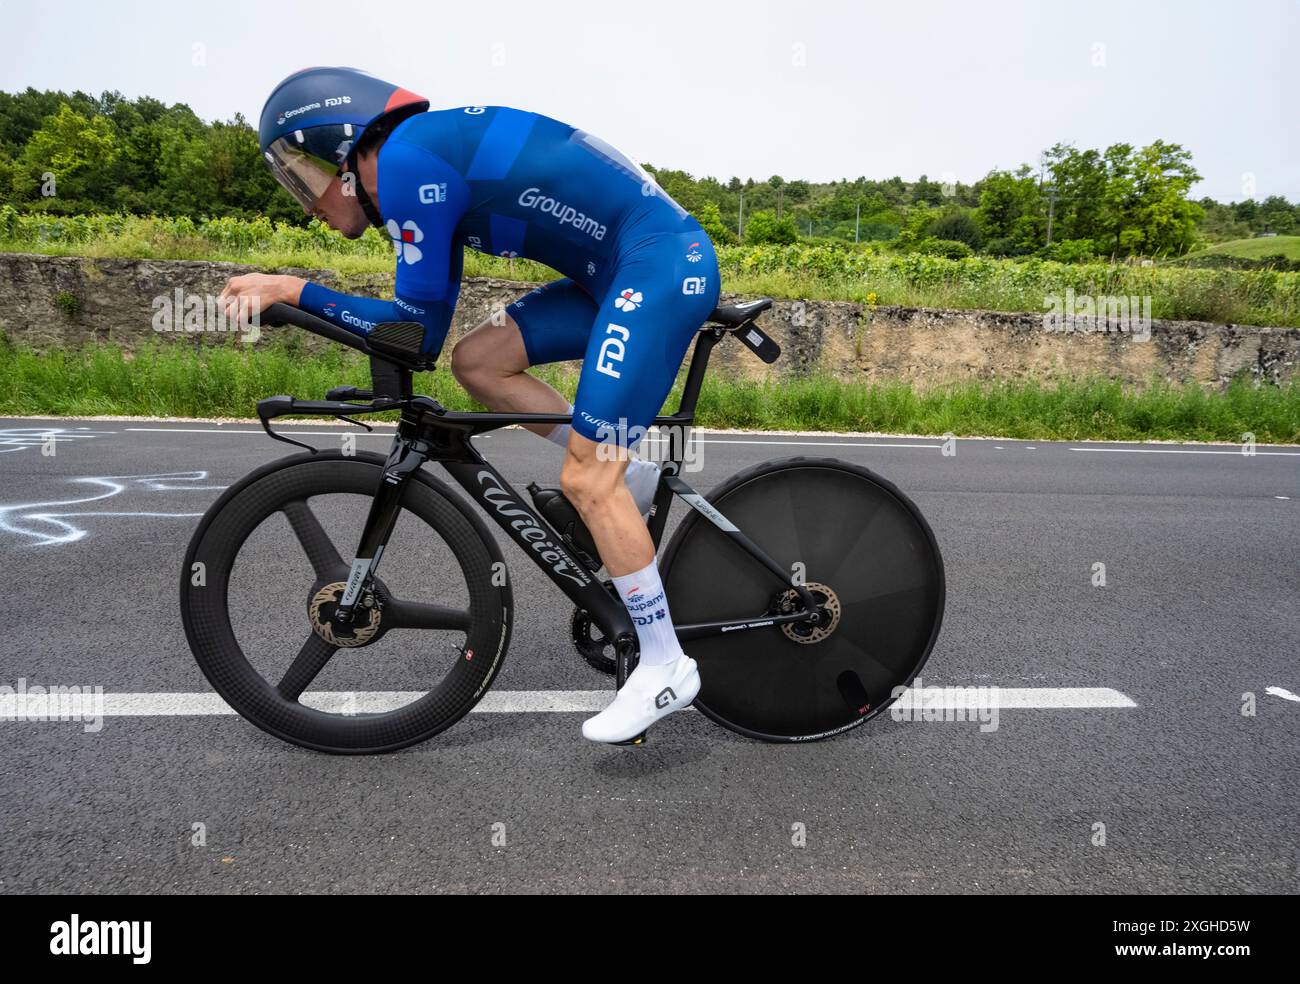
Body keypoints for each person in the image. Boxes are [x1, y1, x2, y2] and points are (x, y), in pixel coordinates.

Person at [220, 66, 721, 744]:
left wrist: (293, 290)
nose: (305, 201)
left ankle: (665, 663)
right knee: (478, 362)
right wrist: (298, 296)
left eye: (302, 173)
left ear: (342, 151)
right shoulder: (418, 158)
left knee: (585, 477)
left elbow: (410, 332)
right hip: (620, 271)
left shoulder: (402, 162)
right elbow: (427, 334)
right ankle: (632, 481)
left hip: (658, 267)